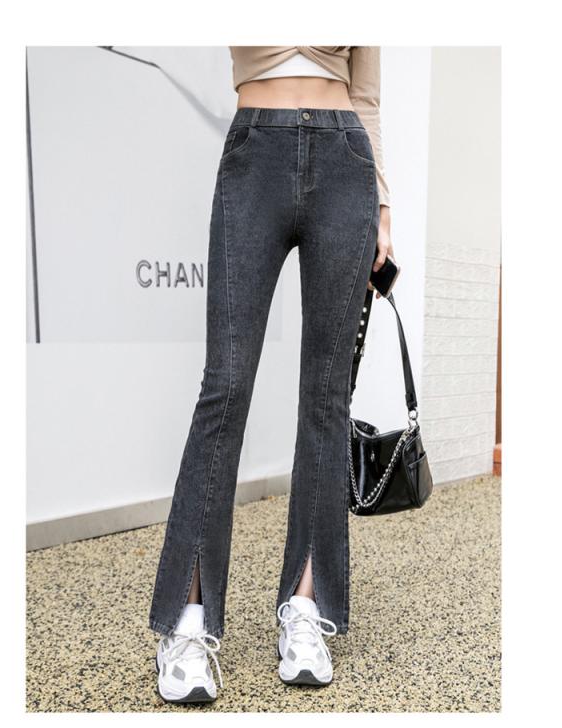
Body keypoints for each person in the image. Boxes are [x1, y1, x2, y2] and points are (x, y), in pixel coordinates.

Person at [149, 45, 394, 704]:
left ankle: (305, 608)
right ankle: (188, 621)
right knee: (225, 386)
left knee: (326, 397)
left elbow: (366, 95)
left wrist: (383, 206)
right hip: (255, 153)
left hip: (345, 161)